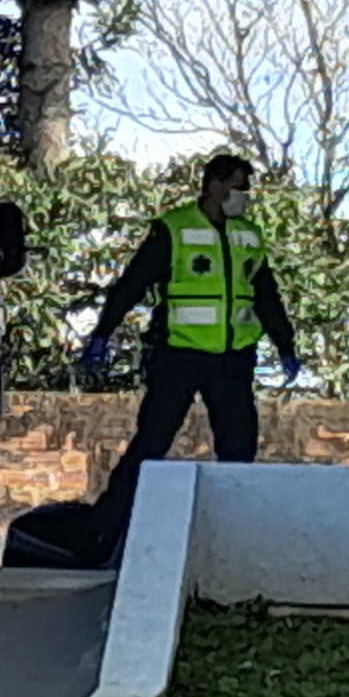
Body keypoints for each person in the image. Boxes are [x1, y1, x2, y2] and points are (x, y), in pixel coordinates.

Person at [77, 153, 301, 544]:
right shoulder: (174, 229)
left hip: (232, 358)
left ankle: (237, 533)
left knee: (238, 447)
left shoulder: (247, 234)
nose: (243, 197)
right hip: (179, 354)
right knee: (152, 441)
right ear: (214, 184)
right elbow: (133, 283)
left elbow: (265, 293)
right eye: (237, 187)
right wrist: (103, 332)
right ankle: (102, 530)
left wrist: (285, 342)